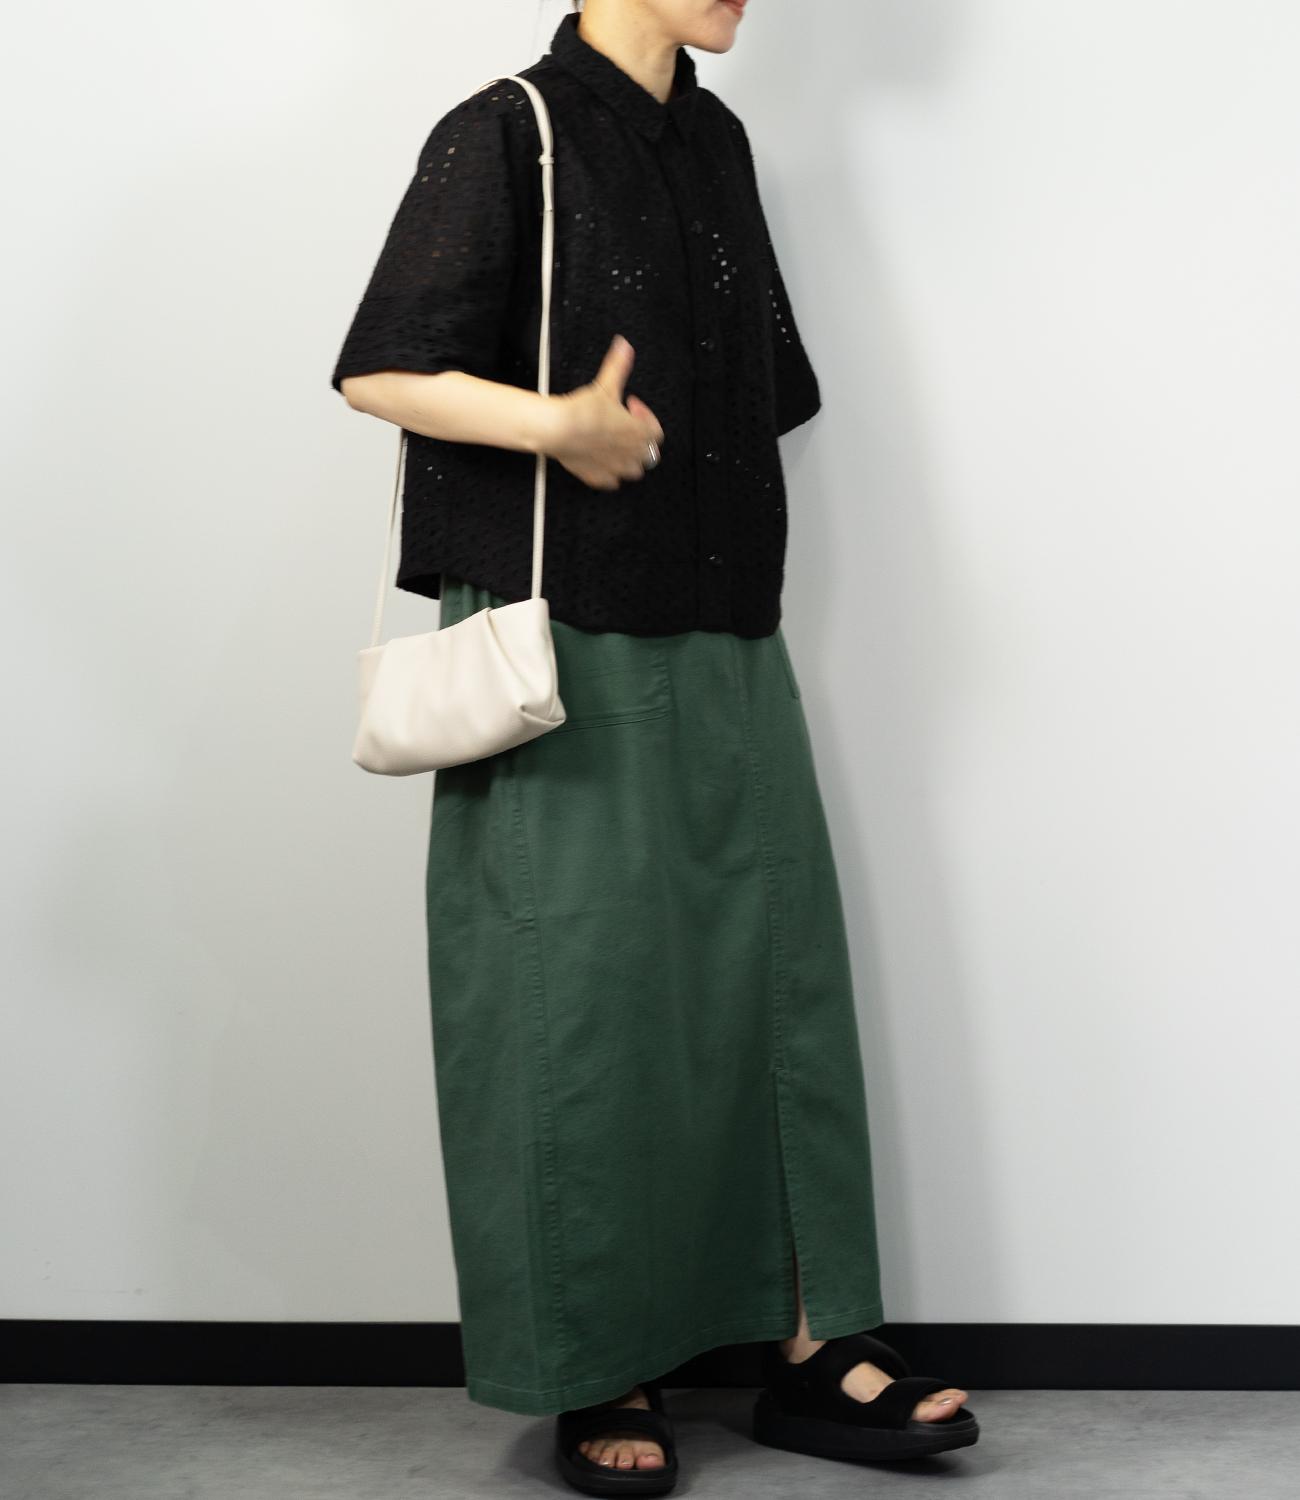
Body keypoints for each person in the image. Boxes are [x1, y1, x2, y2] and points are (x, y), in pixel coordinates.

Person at [331, 1, 979, 1493]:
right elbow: (380, 367)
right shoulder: (506, 129)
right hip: (566, 636)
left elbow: (762, 388)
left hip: (729, 623)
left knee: (775, 980)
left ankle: (808, 1343)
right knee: (580, 1002)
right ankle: (598, 1365)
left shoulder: (720, 142)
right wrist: (560, 426)